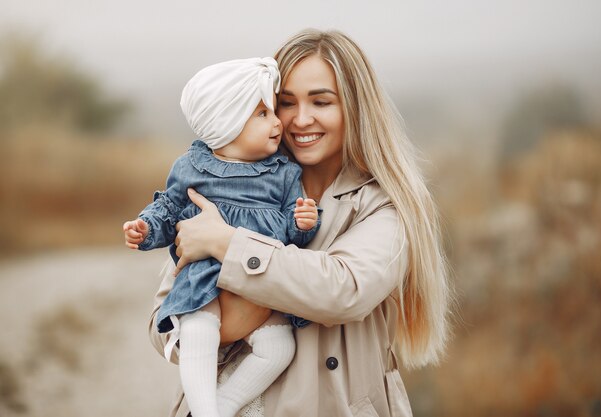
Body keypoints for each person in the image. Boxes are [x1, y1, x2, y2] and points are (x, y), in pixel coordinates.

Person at [149, 29, 450, 417]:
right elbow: (162, 326)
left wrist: (226, 245)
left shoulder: (385, 204)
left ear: (355, 108)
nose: (300, 119)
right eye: (285, 103)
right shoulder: (230, 186)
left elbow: (342, 290)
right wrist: (217, 328)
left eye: (321, 101)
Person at [125, 57, 320, 417]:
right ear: (226, 123)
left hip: (264, 283)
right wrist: (147, 228)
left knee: (279, 348)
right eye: (262, 114)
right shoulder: (192, 167)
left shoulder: (283, 171)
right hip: (204, 280)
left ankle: (225, 405)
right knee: (198, 330)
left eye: (273, 111)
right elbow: (169, 209)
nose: (278, 122)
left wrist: (304, 223)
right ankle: (204, 411)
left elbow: (293, 234)